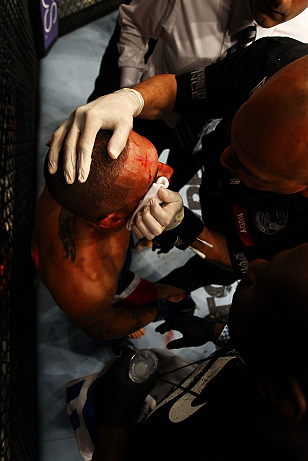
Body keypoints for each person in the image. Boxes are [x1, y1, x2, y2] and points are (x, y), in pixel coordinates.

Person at [46, 36, 308, 295]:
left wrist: (182, 229)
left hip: (242, 245)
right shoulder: (269, 63)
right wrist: (131, 99)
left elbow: (251, 267)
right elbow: (179, 90)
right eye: (234, 131)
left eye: (248, 166)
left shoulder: (298, 246)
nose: (223, 159)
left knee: (195, 280)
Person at [67, 243, 308, 461]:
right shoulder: (276, 366)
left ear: (280, 390)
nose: (254, 265)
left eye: (263, 282)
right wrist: (216, 332)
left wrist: (113, 425)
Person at [88, 0, 308, 191]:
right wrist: (128, 93)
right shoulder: (192, 1)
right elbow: (135, 23)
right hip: (148, 111)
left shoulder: (302, 46)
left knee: (170, 185)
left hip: (205, 137)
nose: (281, 0)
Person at [31, 129, 196, 341]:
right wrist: (159, 311)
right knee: (180, 299)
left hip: (112, 239)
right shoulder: (86, 285)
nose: (168, 172)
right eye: (153, 183)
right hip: (102, 284)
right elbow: (103, 328)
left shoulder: (78, 173)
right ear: (113, 220)